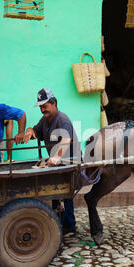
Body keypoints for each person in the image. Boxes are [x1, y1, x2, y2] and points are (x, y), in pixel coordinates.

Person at [24, 88, 80, 234]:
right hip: (56, 164)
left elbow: (66, 140)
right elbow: (36, 131)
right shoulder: (45, 119)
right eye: (41, 107)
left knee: (66, 195)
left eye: (45, 106)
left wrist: (56, 157)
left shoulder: (62, 119)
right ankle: (58, 221)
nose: (43, 110)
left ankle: (69, 225)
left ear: (54, 103)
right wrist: (30, 131)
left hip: (69, 162)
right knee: (54, 192)